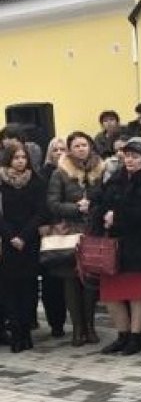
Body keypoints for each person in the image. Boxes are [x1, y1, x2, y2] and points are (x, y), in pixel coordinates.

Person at [93, 138, 141, 356]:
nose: (130, 160)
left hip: (140, 244)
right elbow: (101, 200)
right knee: (112, 293)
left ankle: (136, 337)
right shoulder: (116, 177)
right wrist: (101, 214)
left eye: (135, 157)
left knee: (137, 292)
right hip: (114, 244)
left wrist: (118, 216)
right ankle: (122, 335)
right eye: (127, 156)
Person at [46, 131, 104, 346]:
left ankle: (90, 326)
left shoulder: (101, 169)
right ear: (70, 149)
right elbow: (52, 203)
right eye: (77, 146)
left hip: (94, 231)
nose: (81, 149)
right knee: (71, 281)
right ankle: (77, 328)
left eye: (85, 145)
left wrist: (95, 207)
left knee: (91, 281)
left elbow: (107, 198)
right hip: (69, 231)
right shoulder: (59, 173)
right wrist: (75, 207)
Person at [0, 143, 47, 352]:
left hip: (29, 241)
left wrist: (24, 236)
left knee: (28, 288)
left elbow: (40, 212)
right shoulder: (1, 182)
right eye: (16, 157)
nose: (20, 161)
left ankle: (27, 331)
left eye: (23, 157)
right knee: (10, 288)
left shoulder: (36, 181)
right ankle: (16, 331)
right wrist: (11, 237)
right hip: (7, 242)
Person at [37, 138, 68, 338]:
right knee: (52, 280)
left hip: (73, 228)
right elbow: (42, 202)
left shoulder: (74, 170)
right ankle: (56, 323)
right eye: (54, 149)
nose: (58, 152)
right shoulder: (43, 175)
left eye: (62, 149)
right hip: (51, 231)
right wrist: (50, 223)